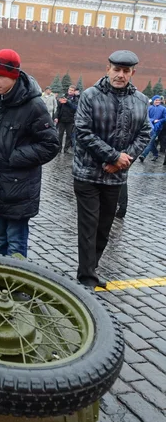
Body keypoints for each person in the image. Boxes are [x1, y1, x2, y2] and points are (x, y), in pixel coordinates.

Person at [73, 50, 151, 288]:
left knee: (104, 228)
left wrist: (123, 160)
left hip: (116, 177)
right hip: (87, 174)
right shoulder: (90, 95)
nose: (120, 75)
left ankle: (90, 268)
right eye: (116, 70)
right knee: (89, 226)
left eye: (125, 71)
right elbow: (83, 132)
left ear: (132, 73)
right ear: (107, 69)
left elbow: (145, 133)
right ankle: (87, 278)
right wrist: (113, 156)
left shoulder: (140, 100)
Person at [0, 49, 59, 257]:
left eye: (1, 76)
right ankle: (2, 281)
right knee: (2, 240)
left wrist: (15, 156)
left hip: (20, 186)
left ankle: (16, 286)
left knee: (16, 243)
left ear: (14, 76)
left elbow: (51, 144)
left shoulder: (33, 105)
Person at [138, 95, 166, 162]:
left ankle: (143, 155)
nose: (158, 101)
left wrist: (159, 121)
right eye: (156, 100)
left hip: (157, 128)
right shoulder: (149, 108)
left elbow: (165, 118)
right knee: (152, 142)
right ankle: (155, 154)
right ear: (153, 101)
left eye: (159, 100)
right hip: (149, 127)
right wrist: (153, 120)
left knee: (150, 141)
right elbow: (146, 117)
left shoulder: (163, 109)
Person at [56, 85, 78, 153]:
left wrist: (67, 102)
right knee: (60, 135)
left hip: (70, 120)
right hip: (62, 119)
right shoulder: (63, 97)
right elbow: (58, 108)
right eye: (69, 90)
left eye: (72, 90)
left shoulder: (76, 99)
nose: (70, 91)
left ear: (74, 91)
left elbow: (75, 107)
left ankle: (66, 149)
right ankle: (59, 149)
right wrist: (56, 117)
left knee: (69, 135)